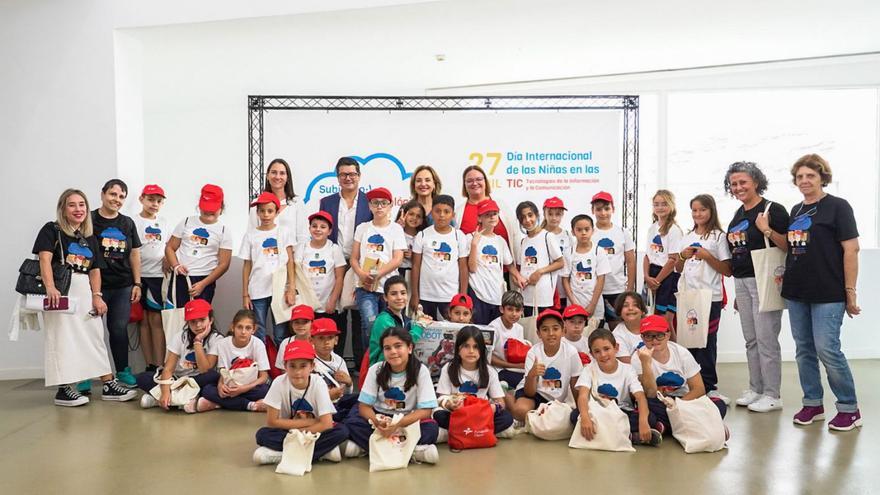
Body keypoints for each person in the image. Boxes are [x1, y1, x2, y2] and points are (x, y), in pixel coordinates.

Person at [34, 188, 137, 406]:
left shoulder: (87, 236)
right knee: (62, 338)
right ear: (63, 208)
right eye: (72, 204)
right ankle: (64, 388)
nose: (78, 209)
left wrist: (97, 296)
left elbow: (95, 269)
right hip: (60, 290)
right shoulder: (51, 230)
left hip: (84, 290)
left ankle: (108, 383)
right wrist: (50, 287)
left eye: (82, 205)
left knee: (94, 335)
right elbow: (44, 260)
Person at [782, 154, 862, 431]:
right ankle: (813, 403)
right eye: (800, 176)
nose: (804, 181)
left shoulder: (838, 207)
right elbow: (793, 249)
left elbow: (851, 250)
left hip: (828, 291)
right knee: (804, 350)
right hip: (796, 291)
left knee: (827, 349)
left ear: (822, 177)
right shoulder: (796, 210)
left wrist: (850, 291)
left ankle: (849, 408)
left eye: (810, 176)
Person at [724, 162, 789, 413]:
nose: (738, 187)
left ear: (756, 182)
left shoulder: (773, 210)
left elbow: (786, 246)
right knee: (751, 340)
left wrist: (767, 229)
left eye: (743, 182)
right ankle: (756, 388)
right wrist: (739, 291)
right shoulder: (738, 214)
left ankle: (773, 394)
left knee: (766, 338)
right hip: (742, 281)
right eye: (734, 183)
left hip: (764, 279)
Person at [343, 327, 440, 464]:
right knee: (352, 423)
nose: (393, 352)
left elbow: (426, 411)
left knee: (431, 429)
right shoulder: (376, 370)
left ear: (410, 348)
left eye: (398, 346)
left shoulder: (420, 371)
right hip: (380, 418)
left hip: (407, 419)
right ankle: (413, 452)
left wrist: (398, 424)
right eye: (387, 348)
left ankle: (372, 448)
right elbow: (364, 407)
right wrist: (377, 422)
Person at [674, 194, 733, 405]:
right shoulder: (687, 236)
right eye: (694, 210)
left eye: (702, 210)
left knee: (707, 343)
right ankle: (692, 384)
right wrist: (682, 256)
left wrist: (708, 256)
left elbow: (728, 270)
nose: (698, 214)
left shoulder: (719, 237)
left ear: (711, 211)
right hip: (688, 296)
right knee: (688, 342)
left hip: (710, 297)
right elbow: (677, 269)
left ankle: (709, 387)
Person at [253, 340, 350, 466]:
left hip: (311, 431)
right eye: (292, 366)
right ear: (285, 366)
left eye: (303, 366)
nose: (297, 372)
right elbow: (272, 422)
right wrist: (309, 423)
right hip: (292, 430)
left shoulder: (318, 383)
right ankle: (322, 453)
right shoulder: (278, 382)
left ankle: (283, 455)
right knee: (262, 434)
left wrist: (298, 434)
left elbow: (326, 425)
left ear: (312, 366)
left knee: (342, 431)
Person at [319, 156, 373, 368]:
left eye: (352, 174)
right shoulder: (327, 202)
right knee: (337, 317)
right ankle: (334, 366)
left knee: (361, 318)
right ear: (338, 177)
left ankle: (362, 369)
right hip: (335, 265)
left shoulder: (370, 202)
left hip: (361, 265)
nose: (348, 178)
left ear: (359, 176)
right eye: (343, 174)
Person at [632, 315, 727, 434]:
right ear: (642, 338)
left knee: (718, 404)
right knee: (647, 409)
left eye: (659, 335)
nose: (654, 340)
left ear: (667, 335)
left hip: (684, 401)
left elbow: (698, 389)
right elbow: (650, 393)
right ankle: (703, 424)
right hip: (658, 403)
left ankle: (667, 427)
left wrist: (677, 405)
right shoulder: (638, 358)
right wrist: (646, 363)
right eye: (648, 336)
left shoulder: (681, 353)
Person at [571, 328, 662, 447]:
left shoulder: (627, 369)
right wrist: (585, 418)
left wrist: (643, 422)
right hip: (598, 412)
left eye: (607, 349)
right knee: (574, 416)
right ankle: (630, 436)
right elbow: (583, 396)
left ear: (616, 348)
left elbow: (640, 397)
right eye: (597, 351)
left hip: (621, 413)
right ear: (591, 354)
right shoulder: (589, 369)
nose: (603, 355)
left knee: (650, 418)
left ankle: (612, 434)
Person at [91, 179, 142, 387]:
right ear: (103, 194)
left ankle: (122, 371)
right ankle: (86, 375)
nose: (117, 200)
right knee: (91, 332)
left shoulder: (127, 223)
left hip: (122, 286)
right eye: (113, 194)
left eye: (121, 196)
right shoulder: (89, 219)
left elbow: (135, 254)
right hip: (95, 286)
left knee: (118, 329)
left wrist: (137, 283)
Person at [433, 326, 516, 442]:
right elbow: (441, 398)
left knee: (506, 418)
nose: (471, 351)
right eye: (466, 346)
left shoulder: (489, 371)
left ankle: (455, 433)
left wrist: (493, 408)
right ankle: (480, 432)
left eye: (476, 347)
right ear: (458, 349)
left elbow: (500, 402)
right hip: (457, 414)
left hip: (480, 414)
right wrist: (450, 404)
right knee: (438, 415)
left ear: (482, 350)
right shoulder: (449, 368)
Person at [136, 299, 221, 412]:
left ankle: (159, 399)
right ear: (187, 323)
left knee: (213, 377)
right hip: (177, 380)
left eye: (202, 320)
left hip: (198, 380)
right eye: (193, 322)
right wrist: (165, 392)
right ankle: (177, 400)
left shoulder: (217, 339)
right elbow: (168, 369)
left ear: (211, 320)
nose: (198, 325)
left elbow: (205, 369)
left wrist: (197, 341)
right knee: (143, 378)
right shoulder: (180, 336)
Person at [351, 187, 406, 351]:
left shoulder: (396, 229)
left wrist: (378, 274)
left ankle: (387, 363)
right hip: (365, 287)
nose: (379, 206)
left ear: (390, 206)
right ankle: (370, 362)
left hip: (389, 288)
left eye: (384, 203)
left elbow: (398, 258)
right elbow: (354, 258)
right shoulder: (362, 228)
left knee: (390, 328)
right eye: (375, 203)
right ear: (369, 206)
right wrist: (362, 274)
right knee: (370, 325)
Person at [239, 192, 295, 342]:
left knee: (280, 332)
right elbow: (246, 265)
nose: (265, 215)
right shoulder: (250, 235)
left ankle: (282, 364)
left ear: (277, 212)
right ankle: (263, 365)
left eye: (270, 211)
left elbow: (290, 261)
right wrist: (245, 294)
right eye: (262, 211)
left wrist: (291, 288)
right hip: (257, 290)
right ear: (257, 213)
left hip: (280, 289)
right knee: (259, 331)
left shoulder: (284, 232)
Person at [165, 184, 233, 304]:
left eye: (213, 209)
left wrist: (203, 284)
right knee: (178, 317)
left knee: (200, 319)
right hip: (181, 277)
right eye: (205, 208)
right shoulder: (186, 222)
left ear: (221, 208)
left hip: (205, 279)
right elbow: (170, 247)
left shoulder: (224, 231)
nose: (208, 212)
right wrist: (176, 266)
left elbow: (224, 264)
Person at [511, 310, 582, 422]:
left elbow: (575, 384)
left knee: (559, 420)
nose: (551, 333)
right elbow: (530, 392)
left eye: (555, 328)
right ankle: (509, 398)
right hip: (534, 393)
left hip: (555, 399)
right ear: (538, 333)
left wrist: (580, 410)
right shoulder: (533, 353)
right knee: (520, 411)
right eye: (545, 329)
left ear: (563, 331)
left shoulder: (571, 352)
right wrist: (532, 375)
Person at [197, 309, 271, 413]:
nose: (243, 332)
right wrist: (220, 386)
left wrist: (244, 388)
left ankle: (219, 403)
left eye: (248, 328)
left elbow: (264, 376)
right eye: (239, 327)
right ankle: (251, 405)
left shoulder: (258, 344)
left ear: (254, 329)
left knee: (265, 390)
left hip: (249, 387)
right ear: (232, 327)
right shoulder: (223, 344)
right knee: (207, 390)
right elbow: (223, 372)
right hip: (230, 386)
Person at [295, 211, 346, 354]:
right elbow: (296, 274)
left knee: (329, 341)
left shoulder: (334, 249)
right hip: (307, 305)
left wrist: (333, 300)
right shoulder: (302, 248)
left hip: (329, 305)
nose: (318, 229)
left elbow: (339, 277)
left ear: (329, 231)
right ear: (309, 228)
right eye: (314, 226)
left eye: (323, 227)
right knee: (310, 340)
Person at [410, 194, 468, 320]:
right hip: (426, 296)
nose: (442, 215)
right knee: (425, 333)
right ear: (432, 213)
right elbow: (416, 266)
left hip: (450, 296)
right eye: (437, 211)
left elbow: (463, 268)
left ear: (453, 214)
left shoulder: (459, 236)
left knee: (449, 334)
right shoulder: (423, 235)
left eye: (446, 212)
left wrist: (463, 295)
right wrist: (415, 295)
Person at [133, 184, 170, 374]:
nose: (154, 204)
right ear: (141, 199)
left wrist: (167, 258)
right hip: (139, 278)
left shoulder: (163, 222)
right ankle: (150, 364)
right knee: (143, 321)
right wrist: (135, 279)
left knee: (157, 320)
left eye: (158, 201)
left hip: (157, 277)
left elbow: (170, 246)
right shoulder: (134, 222)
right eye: (150, 200)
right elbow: (132, 251)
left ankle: (160, 364)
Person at [465, 199, 520, 325]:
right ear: (479, 218)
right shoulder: (469, 238)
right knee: (479, 333)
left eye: (494, 214)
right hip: (478, 294)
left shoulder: (500, 241)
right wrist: (474, 244)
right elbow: (472, 268)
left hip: (497, 295)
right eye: (487, 214)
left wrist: (518, 276)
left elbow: (509, 263)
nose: (491, 217)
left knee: (495, 334)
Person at [455, 165, 519, 262]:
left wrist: (518, 265)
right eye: (469, 181)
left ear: (485, 181)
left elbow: (515, 236)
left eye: (478, 179)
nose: (474, 183)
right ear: (464, 184)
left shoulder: (501, 205)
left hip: (505, 271)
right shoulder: (459, 212)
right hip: (473, 274)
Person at [591, 191, 636, 328]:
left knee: (617, 328)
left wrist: (629, 289)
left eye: (607, 208)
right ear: (593, 211)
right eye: (598, 209)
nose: (603, 213)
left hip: (617, 290)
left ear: (613, 209)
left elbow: (631, 261)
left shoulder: (623, 232)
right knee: (594, 329)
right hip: (593, 291)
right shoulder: (589, 233)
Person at [515, 201, 563, 316]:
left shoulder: (547, 236)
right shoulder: (523, 241)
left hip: (543, 296)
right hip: (525, 296)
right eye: (523, 217)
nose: (527, 220)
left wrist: (539, 272)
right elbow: (521, 268)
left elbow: (560, 263)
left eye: (530, 215)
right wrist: (517, 279)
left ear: (537, 215)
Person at [643, 190, 683, 327]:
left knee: (665, 322)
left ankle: (674, 349)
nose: (660, 207)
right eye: (656, 204)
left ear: (671, 206)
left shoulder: (674, 230)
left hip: (667, 276)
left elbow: (673, 260)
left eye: (664, 204)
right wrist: (647, 277)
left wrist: (657, 281)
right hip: (652, 275)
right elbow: (647, 256)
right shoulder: (652, 228)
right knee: (652, 317)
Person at [248, 158, 309, 245]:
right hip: (263, 257)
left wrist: (297, 258)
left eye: (282, 173)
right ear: (267, 176)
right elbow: (251, 234)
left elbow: (303, 237)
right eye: (273, 172)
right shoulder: (257, 203)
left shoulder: (297, 203)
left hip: (291, 257)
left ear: (287, 177)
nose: (277, 177)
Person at [368, 276, 426, 365]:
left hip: (397, 366)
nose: (399, 297)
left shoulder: (403, 318)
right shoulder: (383, 320)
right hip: (382, 369)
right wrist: (420, 325)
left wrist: (423, 320)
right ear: (385, 297)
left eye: (403, 293)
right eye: (394, 294)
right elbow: (400, 343)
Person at [562, 214, 610, 320]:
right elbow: (565, 280)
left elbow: (601, 279)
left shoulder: (599, 251)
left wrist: (592, 305)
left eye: (586, 229)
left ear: (593, 230)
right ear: (573, 232)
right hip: (574, 303)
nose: (583, 233)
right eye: (579, 230)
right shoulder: (568, 252)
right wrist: (574, 304)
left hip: (594, 305)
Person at [309, 318, 357, 422]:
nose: (326, 342)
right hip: (317, 406)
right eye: (321, 338)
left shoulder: (339, 361)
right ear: (311, 340)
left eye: (330, 338)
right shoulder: (308, 360)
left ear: (336, 340)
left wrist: (349, 382)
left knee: (359, 399)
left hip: (338, 403)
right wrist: (326, 397)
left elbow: (347, 393)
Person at [488, 290, 527, 391]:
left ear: (522, 311)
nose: (514, 314)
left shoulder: (519, 328)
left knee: (533, 379)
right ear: (502, 309)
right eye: (510, 309)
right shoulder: (493, 327)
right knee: (523, 383)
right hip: (498, 370)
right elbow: (487, 356)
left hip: (514, 369)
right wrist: (514, 366)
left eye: (517, 310)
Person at [541, 197, 573, 309]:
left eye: (558, 214)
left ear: (562, 214)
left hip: (563, 289)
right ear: (544, 213)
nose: (554, 218)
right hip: (545, 290)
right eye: (550, 214)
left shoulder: (568, 236)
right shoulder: (538, 235)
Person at [274, 305, 316, 370]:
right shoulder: (285, 343)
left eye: (305, 322)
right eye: (297, 322)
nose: (300, 326)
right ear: (292, 324)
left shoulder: (318, 341)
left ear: (312, 323)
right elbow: (283, 369)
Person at [395, 200, 428, 283]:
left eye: (418, 216)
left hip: (414, 275)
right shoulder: (395, 231)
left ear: (422, 221)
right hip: (396, 272)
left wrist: (414, 257)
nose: (414, 218)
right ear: (403, 214)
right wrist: (397, 229)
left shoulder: (424, 237)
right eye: (411, 214)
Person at [612, 292, 648, 364]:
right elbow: (628, 365)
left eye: (635, 305)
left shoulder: (652, 325)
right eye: (625, 305)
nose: (631, 308)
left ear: (642, 311)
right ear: (619, 312)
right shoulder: (617, 335)